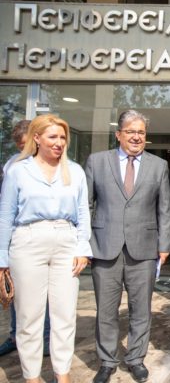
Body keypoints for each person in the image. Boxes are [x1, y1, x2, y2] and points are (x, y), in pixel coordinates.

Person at [0, 114, 91, 383]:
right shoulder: (18, 170)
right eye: (53, 137)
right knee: (29, 317)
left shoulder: (74, 171)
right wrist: (2, 258)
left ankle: (63, 375)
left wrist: (82, 248)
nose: (59, 142)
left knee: (64, 315)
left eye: (63, 137)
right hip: (27, 241)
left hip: (66, 240)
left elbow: (83, 212)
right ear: (37, 138)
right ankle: (32, 376)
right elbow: (5, 216)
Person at [85, 110, 170, 383]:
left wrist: (164, 244)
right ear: (118, 134)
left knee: (141, 309)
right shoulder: (97, 161)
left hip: (144, 249)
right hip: (104, 246)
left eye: (141, 132)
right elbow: (86, 205)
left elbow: (165, 208)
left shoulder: (159, 165)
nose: (136, 137)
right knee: (106, 310)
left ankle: (136, 358)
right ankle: (107, 361)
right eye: (131, 131)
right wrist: (85, 243)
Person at [0, 120, 51, 359]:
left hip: (44, 237)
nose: (24, 149)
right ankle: (15, 336)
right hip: (17, 237)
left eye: (27, 144)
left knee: (45, 293)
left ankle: (47, 339)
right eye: (20, 146)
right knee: (16, 290)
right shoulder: (12, 165)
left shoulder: (52, 164)